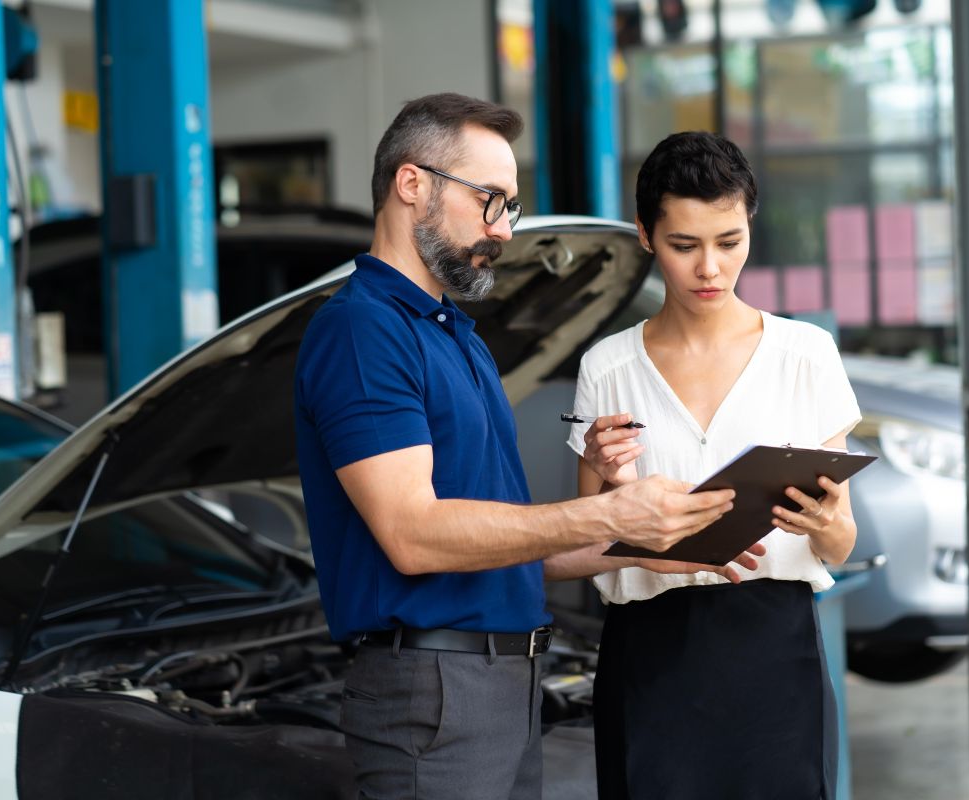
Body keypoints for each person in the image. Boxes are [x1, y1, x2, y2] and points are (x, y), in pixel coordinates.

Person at [293, 94, 756, 800]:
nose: (504, 231)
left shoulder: (458, 338)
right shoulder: (362, 331)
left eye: (509, 205)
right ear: (411, 183)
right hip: (433, 694)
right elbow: (412, 535)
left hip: (505, 685)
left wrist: (660, 541)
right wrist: (609, 515)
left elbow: (518, 551)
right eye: (491, 201)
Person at [567, 131, 862, 800]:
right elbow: (578, 551)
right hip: (650, 658)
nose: (710, 269)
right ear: (645, 234)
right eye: (684, 245)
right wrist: (619, 508)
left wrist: (821, 521)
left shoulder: (805, 356)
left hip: (776, 653)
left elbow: (843, 544)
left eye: (729, 242)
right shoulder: (607, 369)